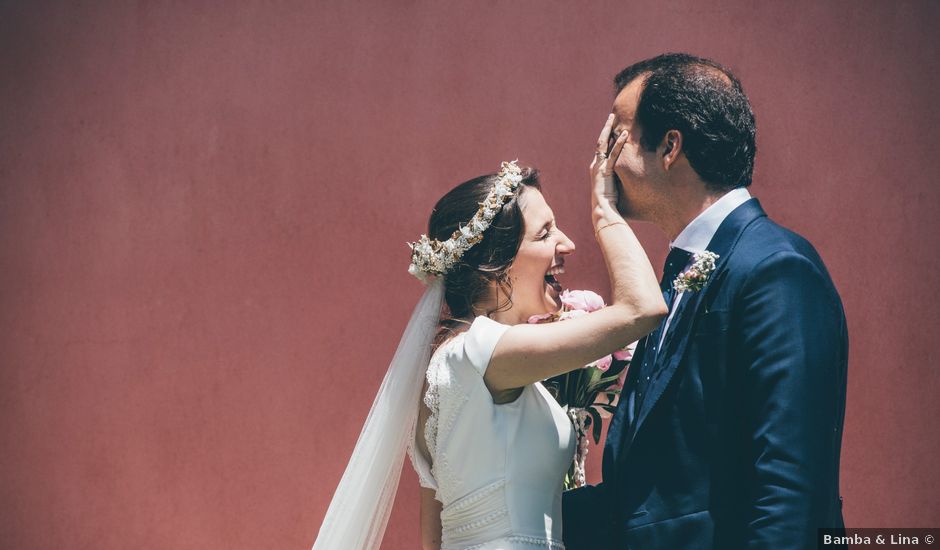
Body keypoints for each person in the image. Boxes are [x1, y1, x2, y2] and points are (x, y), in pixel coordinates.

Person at [312, 143, 667, 549]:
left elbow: (434, 541)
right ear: (496, 266)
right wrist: (605, 209)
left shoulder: (449, 362)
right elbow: (642, 308)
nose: (566, 244)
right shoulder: (481, 353)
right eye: (546, 233)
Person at [562, 53, 849, 550]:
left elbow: (789, 491)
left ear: (670, 146)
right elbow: (652, 495)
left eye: (616, 134)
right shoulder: (688, 271)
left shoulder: (775, 270)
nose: (601, 158)